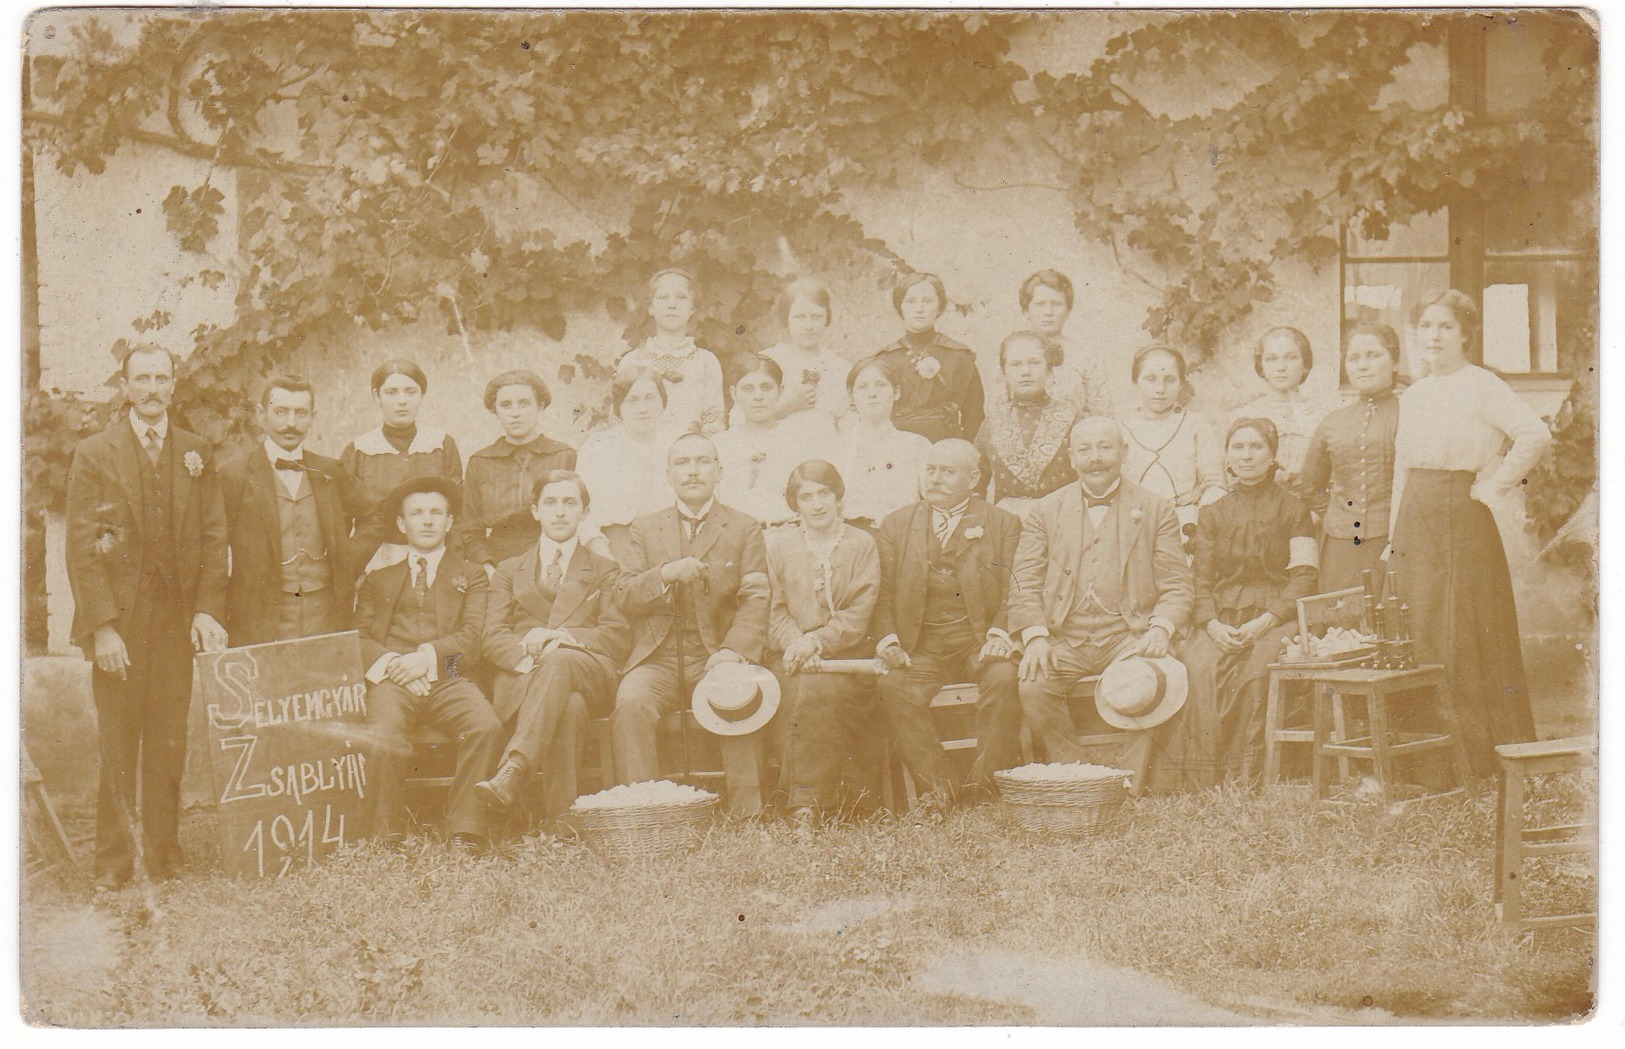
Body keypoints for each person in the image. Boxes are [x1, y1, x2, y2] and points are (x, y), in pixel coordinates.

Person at [65, 343, 229, 891]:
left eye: (162, 378)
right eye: (143, 379)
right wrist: (103, 627)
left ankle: (163, 854)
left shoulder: (195, 450)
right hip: (122, 623)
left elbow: (212, 536)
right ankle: (113, 861)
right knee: (118, 741)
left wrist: (207, 610)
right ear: (127, 386)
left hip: (176, 623)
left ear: (175, 385)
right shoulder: (95, 452)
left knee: (167, 740)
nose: (153, 388)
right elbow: (84, 547)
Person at [1388, 289, 1551, 776]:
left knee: (1459, 631)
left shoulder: (1482, 385)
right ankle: (1426, 762)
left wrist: (1493, 485)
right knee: (1418, 631)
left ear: (1465, 334)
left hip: (1460, 519)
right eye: (1426, 327)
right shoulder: (1413, 394)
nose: (1433, 337)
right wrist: (1392, 541)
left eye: (1445, 327)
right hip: (1415, 522)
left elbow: (1534, 434)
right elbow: (1403, 468)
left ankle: (1474, 760)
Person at [1008, 415, 1192, 783]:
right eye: (1085, 449)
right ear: (1071, 457)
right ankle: (1080, 776)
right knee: (1033, 684)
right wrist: (1036, 636)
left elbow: (1177, 583)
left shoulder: (1155, 509)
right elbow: (1023, 581)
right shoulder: (1045, 511)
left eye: (1105, 447)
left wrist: (1160, 629)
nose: (1096, 458)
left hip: (1128, 635)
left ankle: (1129, 778)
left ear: (1123, 452)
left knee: (1158, 678)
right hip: (1065, 636)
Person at [1146, 418, 1319, 791]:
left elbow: (1305, 575)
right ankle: (1200, 778)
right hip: (1222, 615)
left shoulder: (1294, 509)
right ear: (1226, 457)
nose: (1246, 455)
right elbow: (1201, 580)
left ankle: (1249, 775)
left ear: (1273, 455)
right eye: (1238, 447)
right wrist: (1211, 624)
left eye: (1256, 447)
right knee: (1198, 666)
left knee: (1258, 673)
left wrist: (1269, 620)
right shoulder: (1213, 513)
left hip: (1278, 615)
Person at [353, 476, 503, 855]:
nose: (427, 520)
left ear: (450, 522)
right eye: (416, 513)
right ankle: (385, 835)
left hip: (451, 674)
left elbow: (472, 639)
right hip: (393, 677)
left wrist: (426, 662)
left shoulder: (470, 575)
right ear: (402, 525)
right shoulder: (378, 578)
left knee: (485, 725)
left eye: (436, 512)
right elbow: (359, 637)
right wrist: (395, 664)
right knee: (384, 730)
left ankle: (465, 831)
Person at [609, 433, 770, 784]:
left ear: (720, 471)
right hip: (658, 658)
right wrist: (664, 575)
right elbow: (624, 593)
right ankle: (644, 808)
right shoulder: (645, 528)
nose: (693, 471)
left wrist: (732, 651)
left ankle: (747, 812)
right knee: (631, 702)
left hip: (715, 653)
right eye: (682, 463)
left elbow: (756, 598)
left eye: (703, 462)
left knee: (737, 688)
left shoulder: (744, 527)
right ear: (668, 474)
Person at [872, 439, 1023, 803]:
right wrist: (889, 640)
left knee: (1004, 679)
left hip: (978, 642)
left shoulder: (1002, 524)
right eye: (931, 470)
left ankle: (986, 788)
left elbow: (1016, 590)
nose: (935, 479)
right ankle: (937, 790)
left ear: (973, 479)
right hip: (920, 646)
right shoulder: (896, 525)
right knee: (894, 688)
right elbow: (881, 595)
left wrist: (1000, 634)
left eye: (948, 471)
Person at [477, 471, 629, 820]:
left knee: (560, 660)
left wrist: (561, 638)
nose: (560, 512)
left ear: (585, 513)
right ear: (535, 511)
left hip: (589, 669)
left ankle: (515, 768)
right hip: (523, 676)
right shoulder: (508, 570)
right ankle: (561, 826)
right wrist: (529, 659)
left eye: (569, 503)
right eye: (550, 502)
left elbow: (617, 636)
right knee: (568, 705)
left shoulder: (605, 569)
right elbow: (493, 634)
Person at [765, 461, 881, 819]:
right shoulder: (778, 546)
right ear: (794, 504)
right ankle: (814, 800)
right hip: (790, 654)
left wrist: (816, 643)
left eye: (823, 494)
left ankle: (804, 806)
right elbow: (773, 611)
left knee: (820, 692)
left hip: (847, 655)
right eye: (806, 497)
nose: (816, 505)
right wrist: (796, 643)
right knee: (787, 692)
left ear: (838, 497)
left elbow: (860, 613)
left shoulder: (861, 544)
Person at [219, 374, 361, 646]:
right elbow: (212, 546)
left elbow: (376, 512)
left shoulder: (329, 470)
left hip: (325, 613)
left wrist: (348, 559)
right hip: (262, 615)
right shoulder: (234, 476)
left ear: (312, 417)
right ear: (261, 415)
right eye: (280, 412)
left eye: (300, 413)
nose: (291, 424)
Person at [1298, 324, 1402, 590]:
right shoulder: (1333, 422)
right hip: (1341, 544)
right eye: (1354, 359)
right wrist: (1339, 513)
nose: (1362, 366)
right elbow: (1310, 486)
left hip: (1397, 538)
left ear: (1394, 361)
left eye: (1373, 355)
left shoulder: (1410, 412)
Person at [340, 359, 463, 574]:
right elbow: (341, 520)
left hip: (436, 558)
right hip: (376, 559)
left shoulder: (441, 444)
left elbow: (458, 511)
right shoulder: (359, 450)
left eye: (410, 392)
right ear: (377, 397)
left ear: (422, 396)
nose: (402, 401)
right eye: (392, 392)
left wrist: (454, 562)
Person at [457, 370, 577, 576]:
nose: (515, 413)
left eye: (524, 403)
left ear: (540, 406)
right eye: (505, 405)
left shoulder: (564, 456)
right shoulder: (480, 462)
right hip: (497, 563)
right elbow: (470, 530)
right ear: (495, 410)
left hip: (553, 561)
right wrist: (488, 566)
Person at [714, 354, 837, 527]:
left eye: (766, 387)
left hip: (788, 535)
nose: (758, 396)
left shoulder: (800, 440)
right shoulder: (719, 445)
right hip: (735, 541)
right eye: (748, 389)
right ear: (734, 393)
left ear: (780, 391)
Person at [576, 365, 678, 564]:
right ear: (619, 407)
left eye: (650, 398)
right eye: (632, 400)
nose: (643, 408)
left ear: (662, 402)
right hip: (613, 549)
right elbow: (582, 516)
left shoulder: (677, 445)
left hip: (672, 549)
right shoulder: (598, 447)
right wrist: (608, 563)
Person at [1119, 344, 1225, 536]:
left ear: (1181, 384)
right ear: (1135, 383)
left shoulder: (1195, 425)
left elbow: (1214, 483)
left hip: (1186, 524)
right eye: (1150, 379)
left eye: (1170, 380)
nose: (1160, 389)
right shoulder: (1121, 429)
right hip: (1133, 525)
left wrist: (1204, 524)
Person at [976, 330, 1080, 518]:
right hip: (1005, 526)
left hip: (1062, 522)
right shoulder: (991, 423)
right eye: (1015, 364)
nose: (1026, 372)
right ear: (1004, 371)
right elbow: (975, 484)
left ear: (1048, 368)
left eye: (1034, 363)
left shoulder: (1073, 419)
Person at [873, 272, 985, 442]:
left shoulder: (959, 357)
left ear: (940, 307)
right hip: (897, 449)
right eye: (911, 301)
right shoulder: (884, 360)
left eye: (928, 301)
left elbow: (974, 417)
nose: (919, 309)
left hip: (945, 449)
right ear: (900, 307)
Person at [729, 278, 850, 432]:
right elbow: (738, 423)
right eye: (799, 317)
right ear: (786, 318)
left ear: (827, 318)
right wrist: (788, 407)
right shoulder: (765, 362)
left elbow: (850, 431)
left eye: (816, 317)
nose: (809, 326)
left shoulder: (840, 367)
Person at [616, 268, 726, 436]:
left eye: (681, 297)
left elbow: (714, 422)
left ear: (692, 308)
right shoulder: (632, 361)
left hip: (692, 454)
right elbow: (621, 421)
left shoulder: (706, 362)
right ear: (650, 308)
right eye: (663, 297)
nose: (672, 305)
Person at [990, 269, 1113, 417]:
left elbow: (1101, 412)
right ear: (1026, 311)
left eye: (1056, 304)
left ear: (1068, 310)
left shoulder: (1086, 356)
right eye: (1040, 304)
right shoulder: (1012, 352)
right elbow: (998, 410)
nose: (1048, 312)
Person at [1233, 327, 1338, 486]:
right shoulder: (1245, 416)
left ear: (1305, 365)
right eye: (1271, 359)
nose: (1281, 367)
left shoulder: (1324, 416)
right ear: (1261, 367)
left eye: (1290, 358)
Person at [835, 355, 931, 529]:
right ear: (851, 396)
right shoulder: (838, 447)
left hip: (905, 538)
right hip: (856, 543)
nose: (872, 394)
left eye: (881, 385)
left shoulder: (917, 446)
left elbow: (934, 499)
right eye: (862, 387)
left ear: (896, 392)